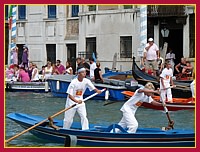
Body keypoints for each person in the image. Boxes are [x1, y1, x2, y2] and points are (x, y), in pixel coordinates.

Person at [63, 66, 101, 130]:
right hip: (71, 102)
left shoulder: (86, 81)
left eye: (85, 72)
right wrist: (76, 101)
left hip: (81, 101)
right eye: (82, 72)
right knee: (68, 119)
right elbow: (70, 95)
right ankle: (65, 129)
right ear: (78, 74)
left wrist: (97, 91)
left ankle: (85, 129)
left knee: (84, 116)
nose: (84, 73)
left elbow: (93, 88)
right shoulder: (73, 82)